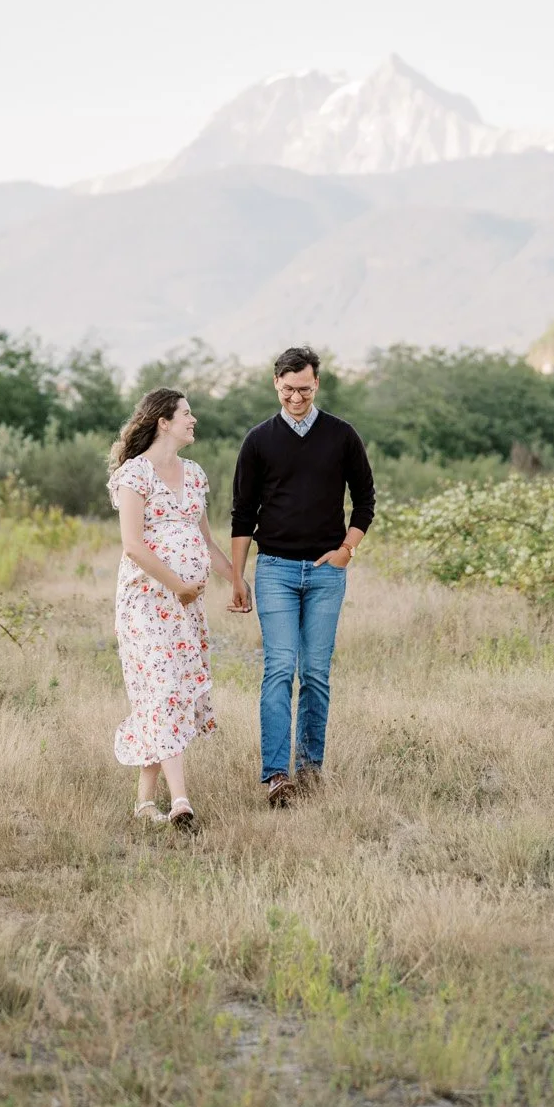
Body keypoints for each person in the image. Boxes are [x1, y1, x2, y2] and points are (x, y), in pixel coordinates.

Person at [230, 346, 376, 807]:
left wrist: (346, 550)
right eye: (289, 389)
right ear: (276, 383)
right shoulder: (258, 441)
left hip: (326, 573)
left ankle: (311, 769)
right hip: (273, 569)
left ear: (317, 385)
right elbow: (241, 515)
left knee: (314, 673)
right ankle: (277, 775)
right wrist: (237, 577)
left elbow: (366, 501)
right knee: (278, 670)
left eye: (305, 389)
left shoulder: (342, 435)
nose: (296, 397)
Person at [107, 386, 235, 830]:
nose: (193, 419)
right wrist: (178, 585)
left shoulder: (196, 475)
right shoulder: (134, 476)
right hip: (147, 603)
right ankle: (181, 802)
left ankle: (144, 805)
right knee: (162, 688)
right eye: (186, 413)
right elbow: (133, 545)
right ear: (163, 421)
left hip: (186, 606)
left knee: (167, 695)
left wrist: (236, 580)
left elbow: (206, 541)